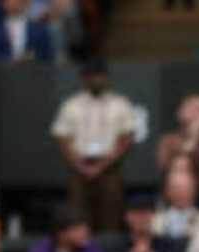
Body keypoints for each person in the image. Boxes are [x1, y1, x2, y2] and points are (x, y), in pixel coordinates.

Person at [49, 58, 136, 234]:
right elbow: (62, 138)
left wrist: (103, 165)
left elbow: (126, 138)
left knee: (111, 215)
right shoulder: (71, 105)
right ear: (84, 79)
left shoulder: (120, 104)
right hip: (79, 166)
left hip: (110, 167)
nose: (95, 80)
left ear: (106, 78)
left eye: (99, 76)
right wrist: (78, 165)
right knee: (77, 217)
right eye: (91, 76)